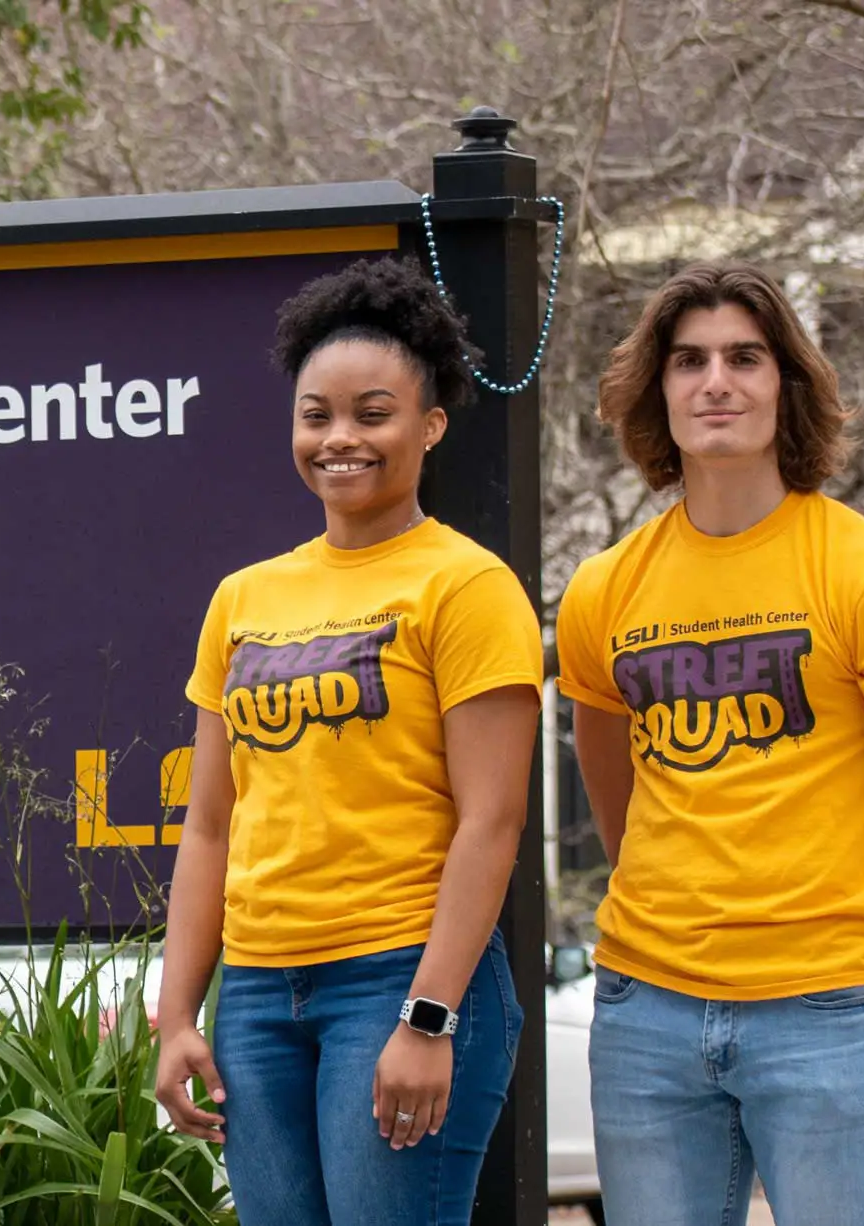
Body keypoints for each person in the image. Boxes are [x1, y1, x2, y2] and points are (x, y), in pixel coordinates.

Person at [561, 261, 864, 1226]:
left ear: (786, 385)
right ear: (656, 390)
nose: (717, 381)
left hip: (823, 1006)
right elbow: (618, 809)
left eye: (745, 358)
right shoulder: (603, 591)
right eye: (690, 360)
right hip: (646, 1013)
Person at [152, 258, 542, 1225]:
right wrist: (175, 1016)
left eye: (373, 413)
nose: (340, 439)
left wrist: (428, 1015)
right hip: (258, 996)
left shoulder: (466, 586)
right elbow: (210, 826)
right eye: (316, 414)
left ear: (430, 425)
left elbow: (490, 824)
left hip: (397, 978)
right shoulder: (245, 598)